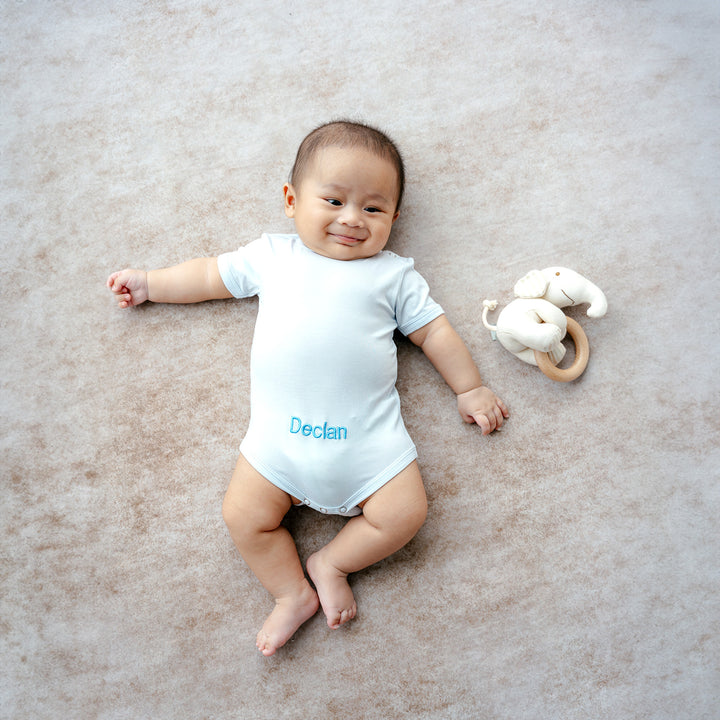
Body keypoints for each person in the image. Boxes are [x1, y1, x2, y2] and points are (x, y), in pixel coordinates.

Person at [107, 120, 509, 656]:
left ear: (394, 217)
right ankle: (290, 592)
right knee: (243, 517)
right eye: (334, 200)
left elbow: (434, 331)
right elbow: (208, 277)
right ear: (292, 200)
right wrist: (153, 284)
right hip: (279, 446)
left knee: (406, 514)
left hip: (368, 446)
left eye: (372, 208)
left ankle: (332, 561)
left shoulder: (393, 276)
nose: (351, 219)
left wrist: (470, 387)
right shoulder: (272, 257)